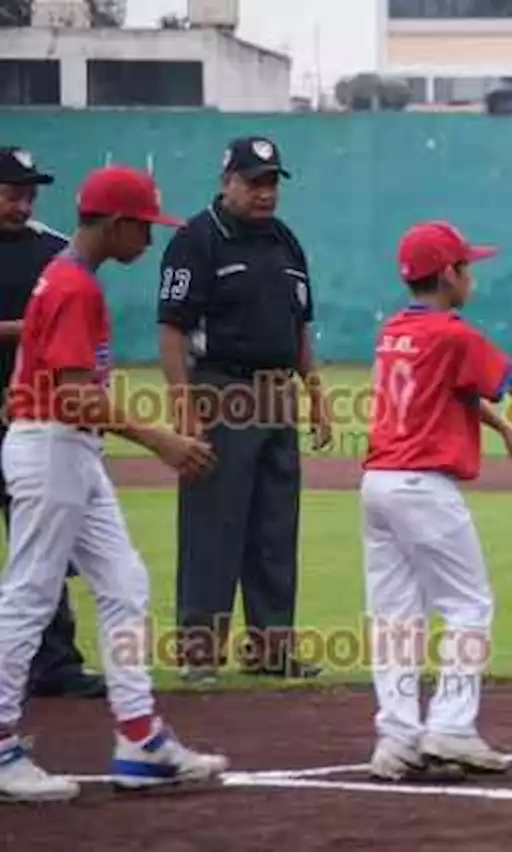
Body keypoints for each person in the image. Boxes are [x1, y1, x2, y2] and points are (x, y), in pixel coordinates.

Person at [0, 165, 228, 802]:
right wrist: (161, 439)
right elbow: (75, 397)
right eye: (144, 227)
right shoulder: (74, 286)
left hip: (64, 448)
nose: (149, 241)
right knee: (29, 594)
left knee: (124, 585)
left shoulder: (67, 277)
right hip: (52, 446)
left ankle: (140, 739)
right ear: (117, 223)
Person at [362, 220, 512, 780]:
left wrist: (503, 431)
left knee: (396, 619)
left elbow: (454, 390)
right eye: (466, 265)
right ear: (449, 274)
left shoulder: (396, 330)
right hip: (423, 486)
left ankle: (396, 740)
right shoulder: (453, 334)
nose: (471, 273)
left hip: (378, 485)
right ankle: (451, 727)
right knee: (469, 606)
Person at [157, 136, 331, 683]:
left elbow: (300, 327)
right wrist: (183, 405)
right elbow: (171, 328)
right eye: (255, 181)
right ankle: (200, 652)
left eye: (273, 182)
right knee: (214, 525)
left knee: (276, 528)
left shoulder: (286, 242)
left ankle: (271, 648)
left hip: (277, 396)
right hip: (220, 394)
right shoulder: (197, 239)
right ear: (227, 181)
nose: (266, 192)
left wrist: (317, 394)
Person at [0, 146, 105, 700]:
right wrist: (30, 329)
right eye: (12, 193)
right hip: (28, 411)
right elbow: (48, 328)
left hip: (36, 415)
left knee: (45, 546)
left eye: (29, 194)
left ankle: (56, 662)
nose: (23, 204)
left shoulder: (52, 251)